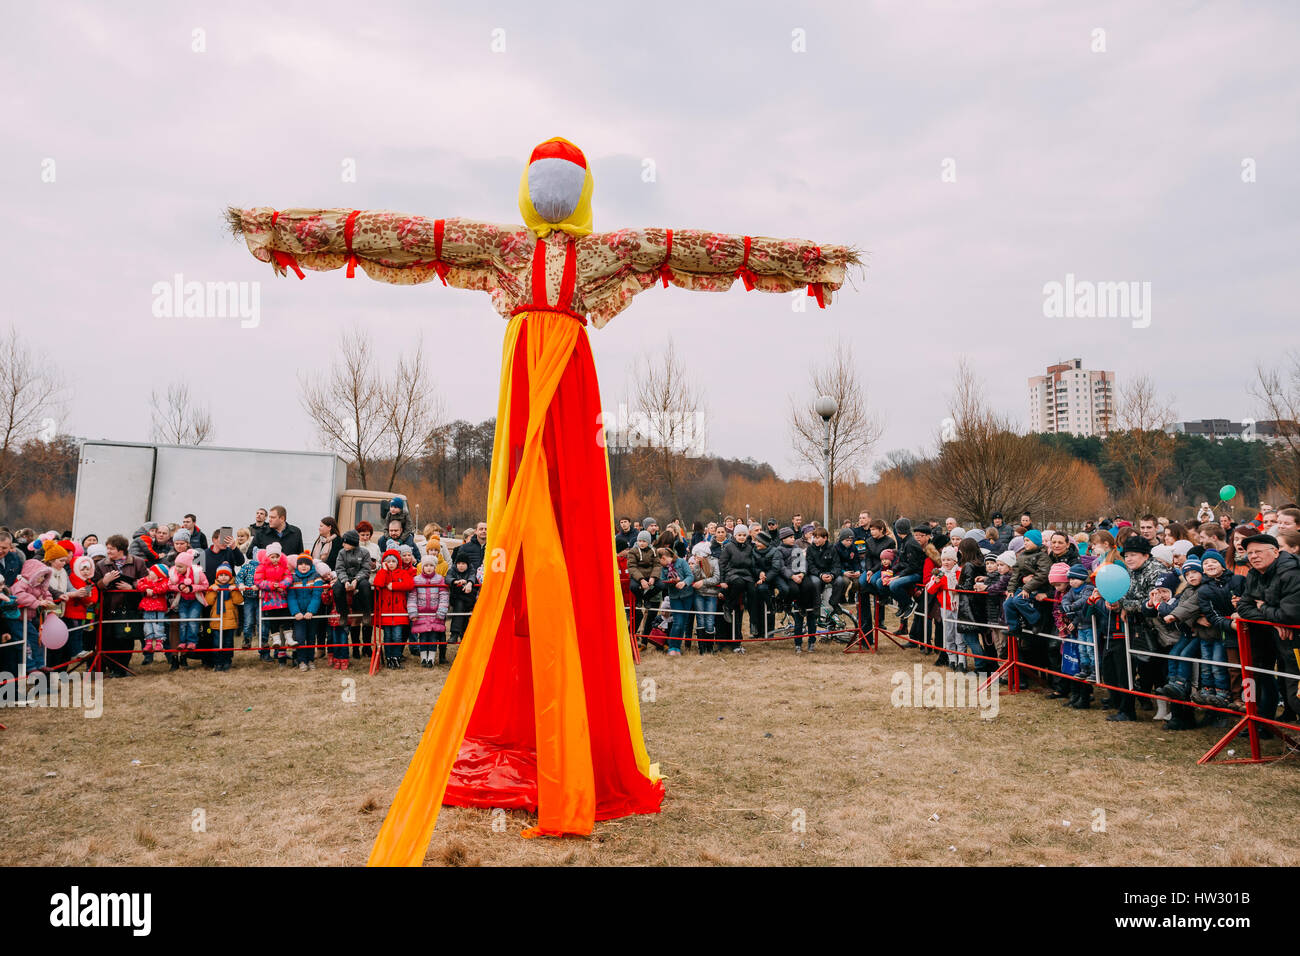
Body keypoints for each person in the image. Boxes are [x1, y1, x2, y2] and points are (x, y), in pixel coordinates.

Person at [1234, 533, 1300, 726]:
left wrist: (1263, 607)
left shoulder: (1292, 573)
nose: (1253, 556)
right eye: (1250, 552)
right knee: (1275, 683)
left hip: (1294, 641)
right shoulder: (1254, 573)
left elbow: (1289, 615)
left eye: (1258, 552)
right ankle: (1260, 725)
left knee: (1296, 693)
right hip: (1274, 638)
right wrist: (1273, 619)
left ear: (1276, 552)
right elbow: (1244, 607)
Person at [93, 535, 148, 677]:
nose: (108, 551)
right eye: (108, 548)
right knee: (109, 638)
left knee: (126, 638)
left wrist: (132, 587)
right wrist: (104, 581)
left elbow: (146, 581)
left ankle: (123, 667)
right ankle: (113, 667)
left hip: (129, 606)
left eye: (111, 549)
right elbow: (95, 585)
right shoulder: (101, 565)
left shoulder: (138, 562)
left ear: (121, 549)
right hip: (109, 607)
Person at [373, 548, 415, 669]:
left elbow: (410, 584)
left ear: (398, 563)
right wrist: (384, 571)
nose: (391, 564)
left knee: (397, 636)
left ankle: (397, 657)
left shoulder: (402, 573)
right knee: (387, 637)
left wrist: (395, 586)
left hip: (399, 612)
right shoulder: (383, 573)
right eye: (388, 562)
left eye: (393, 561)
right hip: (386, 612)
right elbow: (378, 584)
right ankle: (389, 658)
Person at [255, 542, 294, 665]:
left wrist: (282, 585)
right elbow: (258, 581)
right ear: (268, 557)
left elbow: (288, 578)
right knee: (273, 620)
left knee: (286, 618)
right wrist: (272, 585)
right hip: (269, 598)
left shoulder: (284, 567)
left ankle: (289, 638)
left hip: (281, 597)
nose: (275, 559)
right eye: (272, 557)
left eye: (277, 556)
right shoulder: (262, 567)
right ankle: (276, 639)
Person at [408, 553, 449, 667]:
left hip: (435, 614)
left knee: (433, 636)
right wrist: (413, 612)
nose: (429, 568)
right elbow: (412, 597)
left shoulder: (440, 579)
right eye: (426, 566)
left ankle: (431, 658)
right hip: (421, 614)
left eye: (431, 565)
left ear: (435, 567)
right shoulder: (416, 580)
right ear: (422, 567)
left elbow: (444, 596)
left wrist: (441, 611)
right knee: (423, 636)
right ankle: (423, 658)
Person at [170, 551, 210, 664]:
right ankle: (182, 642)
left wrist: (191, 588)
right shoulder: (174, 573)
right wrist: (179, 587)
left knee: (192, 620)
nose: (177, 568)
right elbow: (170, 585)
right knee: (183, 621)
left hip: (195, 600)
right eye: (176, 565)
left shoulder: (198, 573)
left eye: (180, 566)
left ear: (188, 565)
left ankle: (192, 641)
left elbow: (205, 585)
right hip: (182, 600)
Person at [287, 552, 323, 671]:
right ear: (297, 565)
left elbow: (316, 596)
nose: (303, 566)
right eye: (301, 564)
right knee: (300, 637)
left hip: (311, 614)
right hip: (298, 615)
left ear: (311, 565)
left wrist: (311, 611)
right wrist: (296, 612)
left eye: (306, 564)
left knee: (311, 637)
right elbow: (291, 597)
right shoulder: (292, 578)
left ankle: (310, 659)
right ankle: (301, 660)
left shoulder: (316, 577)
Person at [657, 547, 694, 656]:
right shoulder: (663, 569)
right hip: (674, 597)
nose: (660, 563)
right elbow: (662, 582)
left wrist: (683, 582)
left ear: (663, 558)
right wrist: (671, 581)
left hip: (687, 595)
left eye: (660, 561)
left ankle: (678, 646)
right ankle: (672, 647)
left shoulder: (681, 562)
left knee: (683, 623)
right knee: (678, 622)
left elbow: (690, 576)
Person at [207, 563, 243, 672]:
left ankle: (227, 661)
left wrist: (235, 591)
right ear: (217, 577)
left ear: (230, 576)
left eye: (226, 575)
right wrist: (213, 591)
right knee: (217, 642)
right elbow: (208, 601)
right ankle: (218, 662)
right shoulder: (213, 587)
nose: (223, 577)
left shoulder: (233, 587)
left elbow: (239, 601)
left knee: (228, 642)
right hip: (216, 620)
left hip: (230, 620)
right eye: (221, 575)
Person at [688, 541, 720, 654]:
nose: (695, 557)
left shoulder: (715, 562)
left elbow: (717, 578)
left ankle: (710, 648)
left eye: (696, 554)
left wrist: (703, 582)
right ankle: (702, 648)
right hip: (699, 594)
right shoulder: (697, 563)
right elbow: (694, 577)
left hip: (711, 594)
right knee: (700, 619)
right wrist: (696, 566)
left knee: (710, 619)